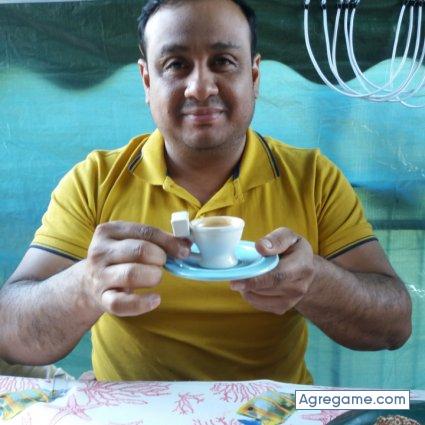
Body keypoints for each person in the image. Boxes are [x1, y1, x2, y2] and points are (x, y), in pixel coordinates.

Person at [0, 0, 411, 383]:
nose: (199, 87)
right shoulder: (95, 180)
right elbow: (8, 334)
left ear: (254, 76)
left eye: (223, 62)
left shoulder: (313, 179)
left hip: (271, 416)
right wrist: (85, 285)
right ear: (147, 80)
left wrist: (316, 280)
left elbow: (394, 326)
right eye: (176, 64)